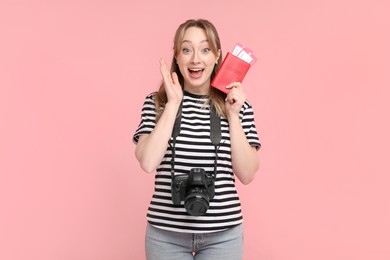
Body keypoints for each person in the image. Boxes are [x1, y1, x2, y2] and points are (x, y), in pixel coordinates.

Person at [133, 18, 261, 260]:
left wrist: (233, 116)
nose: (195, 59)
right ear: (177, 57)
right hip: (165, 234)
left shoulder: (238, 105)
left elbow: (247, 174)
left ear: (217, 56)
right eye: (186, 49)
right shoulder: (156, 103)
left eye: (205, 49)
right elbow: (148, 162)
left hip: (223, 234)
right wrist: (172, 105)